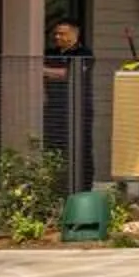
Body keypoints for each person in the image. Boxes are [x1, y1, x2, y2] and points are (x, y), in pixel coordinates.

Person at [41, 18, 95, 187]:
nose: (57, 37)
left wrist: (43, 70)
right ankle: (57, 185)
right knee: (54, 145)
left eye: (62, 33)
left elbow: (69, 74)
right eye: (56, 33)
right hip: (55, 106)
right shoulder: (50, 53)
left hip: (79, 107)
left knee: (81, 145)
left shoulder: (83, 53)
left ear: (74, 35)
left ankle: (83, 185)